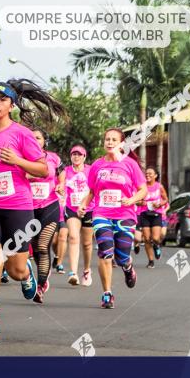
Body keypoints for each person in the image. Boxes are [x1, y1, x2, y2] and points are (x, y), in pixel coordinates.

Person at [0, 79, 66, 343]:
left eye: (1, 99)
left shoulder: (21, 134)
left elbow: (44, 170)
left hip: (17, 206)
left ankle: (27, 273)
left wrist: (17, 160)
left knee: (16, 269)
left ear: (11, 105)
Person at [78, 128, 146, 309]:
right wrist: (84, 204)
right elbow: (92, 191)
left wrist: (131, 200)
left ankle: (127, 267)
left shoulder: (130, 164)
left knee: (122, 255)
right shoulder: (97, 166)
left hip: (125, 214)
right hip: (101, 213)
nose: (109, 142)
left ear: (121, 143)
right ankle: (107, 293)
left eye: (114, 139)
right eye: (107, 139)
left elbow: (143, 190)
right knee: (105, 252)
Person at [26, 129, 61, 303]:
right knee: (34, 247)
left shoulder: (52, 157)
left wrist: (27, 174)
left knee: (42, 245)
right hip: (28, 208)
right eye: (31, 138)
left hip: (49, 206)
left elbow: (52, 174)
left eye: (38, 137)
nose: (34, 140)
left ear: (44, 141)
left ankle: (39, 287)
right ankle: (43, 275)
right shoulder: (22, 157)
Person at [58, 144, 94, 286]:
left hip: (89, 208)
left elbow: (94, 189)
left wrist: (84, 204)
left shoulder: (91, 170)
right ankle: (73, 272)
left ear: (84, 157)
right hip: (72, 208)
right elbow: (60, 184)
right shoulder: (65, 171)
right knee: (73, 237)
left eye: (79, 154)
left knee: (87, 243)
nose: (76, 156)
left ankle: (86, 270)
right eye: (74, 154)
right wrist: (60, 188)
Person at [137, 167, 168, 268]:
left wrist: (159, 204)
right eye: (146, 174)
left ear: (155, 175)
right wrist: (142, 202)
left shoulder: (159, 187)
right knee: (146, 238)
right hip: (144, 213)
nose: (147, 175)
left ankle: (156, 245)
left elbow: (165, 199)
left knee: (155, 238)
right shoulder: (142, 187)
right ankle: (151, 261)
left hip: (156, 214)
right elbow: (136, 200)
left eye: (150, 174)